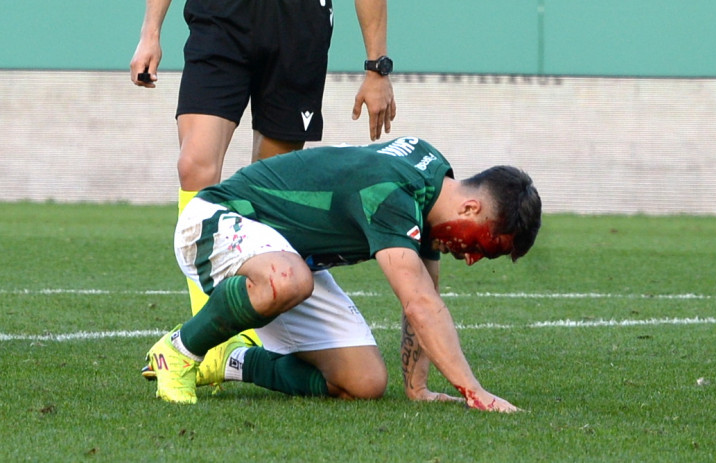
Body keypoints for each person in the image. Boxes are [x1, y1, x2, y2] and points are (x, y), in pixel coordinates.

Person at [146, 136, 542, 412]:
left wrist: (417, 388)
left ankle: (231, 360)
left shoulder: (432, 180)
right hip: (216, 221)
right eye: (483, 246)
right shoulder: (393, 193)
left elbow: (426, 294)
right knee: (288, 280)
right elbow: (420, 304)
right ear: (471, 208)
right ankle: (179, 352)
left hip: (284, 255)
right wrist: (476, 393)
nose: (472, 259)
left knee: (363, 383)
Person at [130, 0, 396, 351]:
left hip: (299, 25)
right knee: (194, 165)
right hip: (220, 16)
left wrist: (377, 69)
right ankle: (209, 341)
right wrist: (150, 32)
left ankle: (250, 329)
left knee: (269, 188)